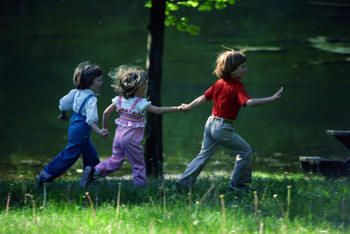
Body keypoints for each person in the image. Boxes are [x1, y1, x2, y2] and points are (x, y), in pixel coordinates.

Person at [176, 49, 284, 192]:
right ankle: (237, 185)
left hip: (210, 124)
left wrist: (189, 106)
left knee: (203, 155)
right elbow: (248, 103)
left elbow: (203, 98)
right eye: (243, 67)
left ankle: (183, 184)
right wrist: (270, 99)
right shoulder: (236, 86)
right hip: (222, 128)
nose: (246, 69)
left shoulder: (219, 83)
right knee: (245, 151)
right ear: (232, 70)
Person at [80, 65, 183, 188]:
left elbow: (106, 113)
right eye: (144, 84)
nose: (146, 87)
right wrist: (178, 108)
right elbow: (158, 110)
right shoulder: (141, 103)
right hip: (131, 140)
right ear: (136, 87)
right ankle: (140, 187)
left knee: (115, 161)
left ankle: (94, 171)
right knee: (138, 164)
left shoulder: (119, 100)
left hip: (118, 138)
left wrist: (105, 128)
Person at [36, 62, 108, 186]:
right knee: (70, 154)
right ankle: (46, 175)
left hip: (74, 124)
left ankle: (91, 176)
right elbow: (91, 120)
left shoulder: (76, 92)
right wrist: (100, 132)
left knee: (90, 152)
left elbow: (63, 103)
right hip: (81, 128)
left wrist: (63, 114)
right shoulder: (91, 99)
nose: (101, 83)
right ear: (90, 82)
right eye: (99, 81)